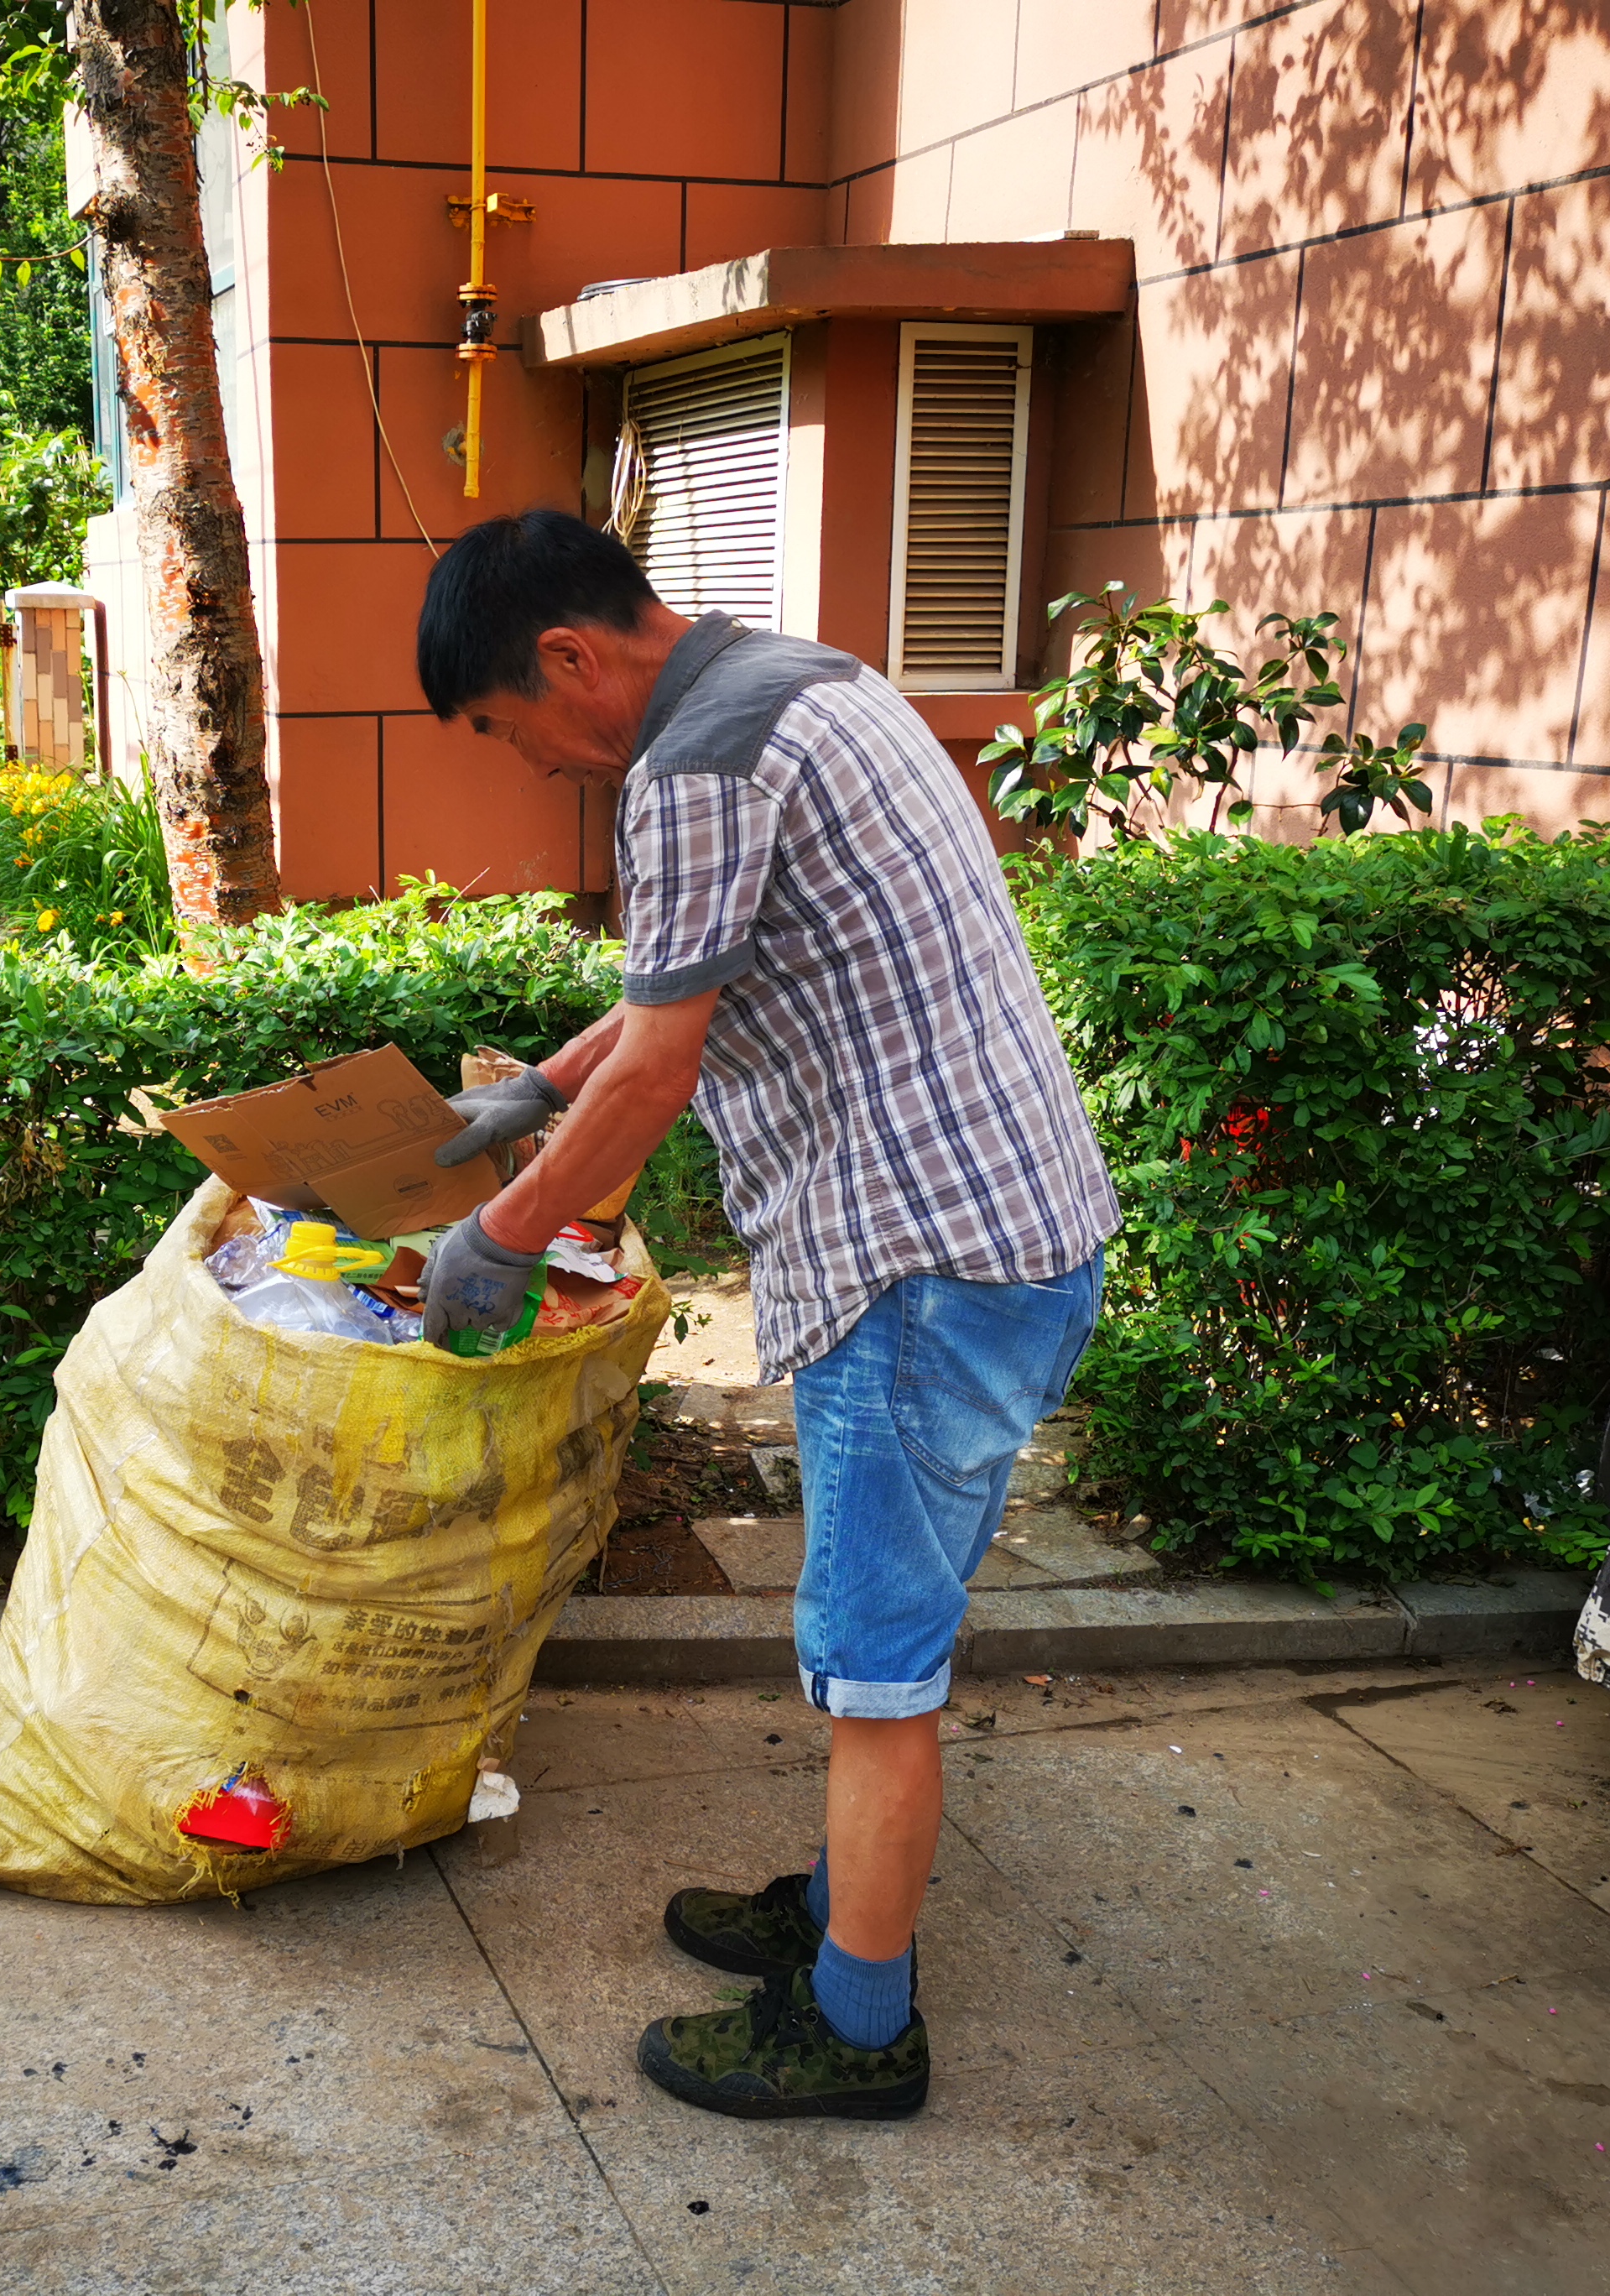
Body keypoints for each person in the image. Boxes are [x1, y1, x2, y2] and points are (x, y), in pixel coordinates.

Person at [413, 509, 1118, 2121]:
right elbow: (671, 998)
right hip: (1016, 1232)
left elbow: (666, 1070)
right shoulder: (811, 681)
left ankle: (859, 2028)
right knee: (900, 1623)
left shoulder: (695, 770)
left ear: (572, 660)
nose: (535, 767)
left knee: (879, 1667)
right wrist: (542, 1085)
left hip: (915, 1269)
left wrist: (503, 1236)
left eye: (514, 729)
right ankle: (837, 1905)